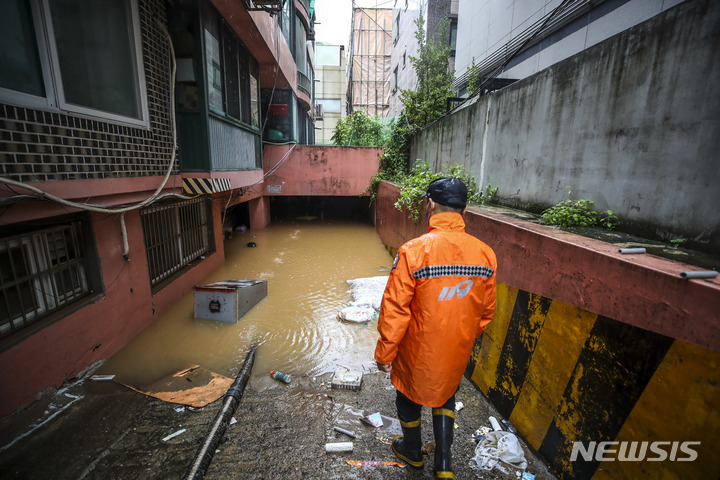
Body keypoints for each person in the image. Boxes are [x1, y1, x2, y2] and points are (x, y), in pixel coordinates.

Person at [375, 177, 497, 479]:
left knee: (408, 398)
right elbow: (485, 312)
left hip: (418, 349)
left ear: (430, 204)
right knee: (445, 396)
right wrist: (461, 337)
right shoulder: (485, 254)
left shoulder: (413, 251)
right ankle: (443, 465)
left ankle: (413, 454)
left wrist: (385, 354)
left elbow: (395, 309)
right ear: (465, 209)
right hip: (456, 348)